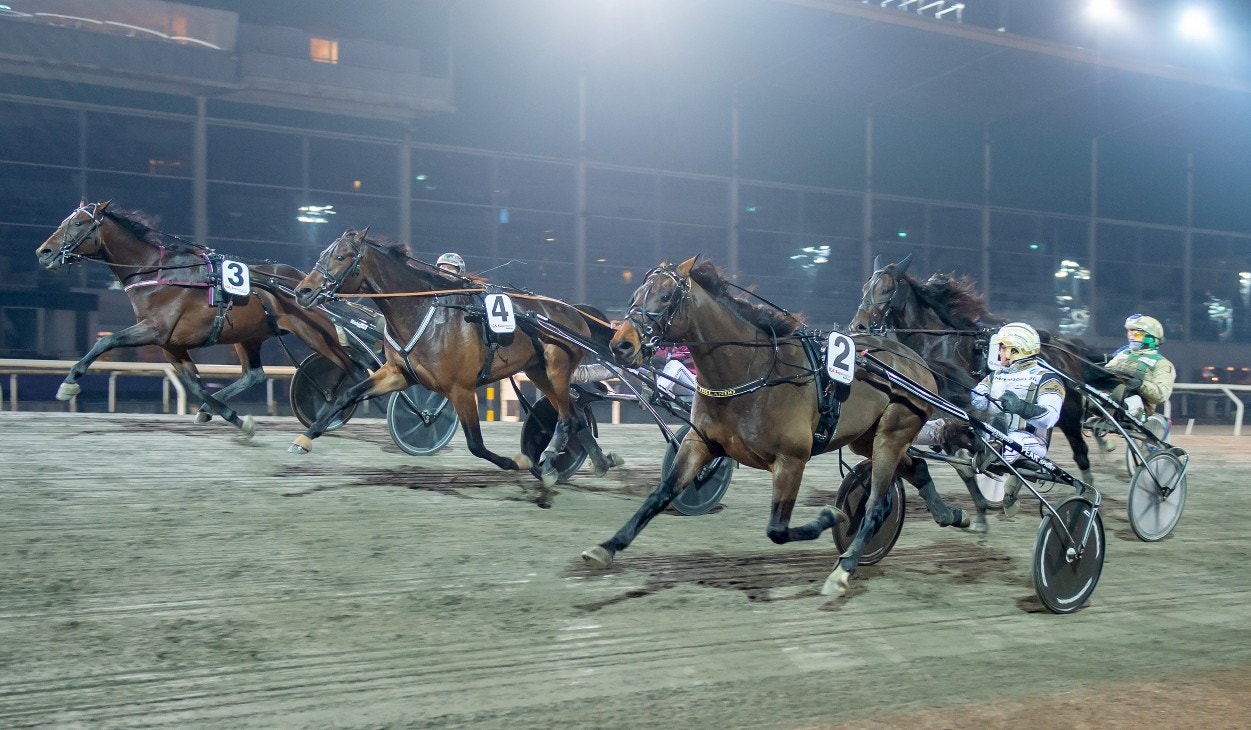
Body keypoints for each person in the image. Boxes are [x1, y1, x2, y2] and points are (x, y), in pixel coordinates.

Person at [970, 322, 1066, 517]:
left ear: (1016, 350)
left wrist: (1021, 407)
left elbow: (1050, 418)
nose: (999, 353)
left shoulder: (1047, 378)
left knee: (1010, 440)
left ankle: (996, 455)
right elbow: (975, 401)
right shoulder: (995, 376)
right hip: (995, 435)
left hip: (1030, 441)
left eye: (1002, 347)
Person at [1105, 314, 1176, 420]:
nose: (1131, 336)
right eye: (1129, 331)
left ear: (1150, 336)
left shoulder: (1162, 364)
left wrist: (1141, 384)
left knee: (1127, 395)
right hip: (1108, 397)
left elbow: (1162, 395)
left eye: (1136, 333)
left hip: (1137, 408)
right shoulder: (1122, 354)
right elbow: (1106, 371)